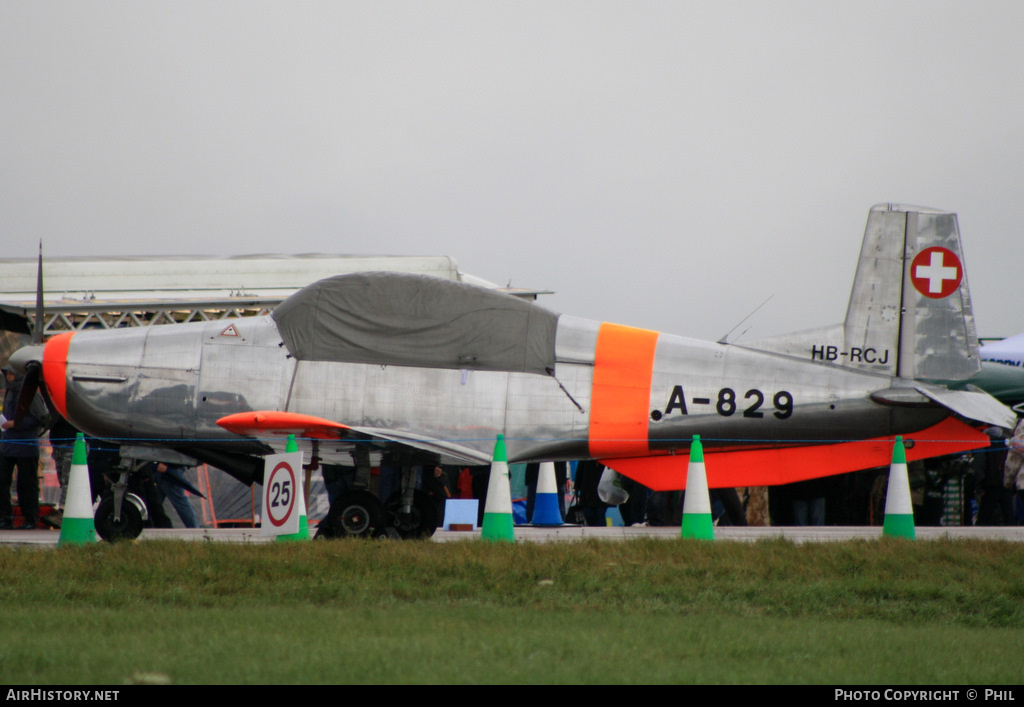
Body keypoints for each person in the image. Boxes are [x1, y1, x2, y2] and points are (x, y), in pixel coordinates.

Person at [0, 364, 42, 529]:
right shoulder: (10, 392)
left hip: (26, 446)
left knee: (26, 484)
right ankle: (4, 517)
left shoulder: (31, 394)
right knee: (2, 482)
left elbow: (40, 418)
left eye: (10, 374)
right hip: (7, 445)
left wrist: (16, 424)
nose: (8, 378)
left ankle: (30, 519)